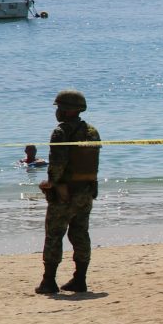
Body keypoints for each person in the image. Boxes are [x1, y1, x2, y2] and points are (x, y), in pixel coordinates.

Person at [35, 90, 100, 295]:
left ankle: (49, 281)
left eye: (59, 108)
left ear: (66, 110)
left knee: (54, 235)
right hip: (86, 191)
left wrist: (52, 185)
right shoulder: (92, 131)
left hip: (66, 193)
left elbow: (57, 163)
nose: (57, 112)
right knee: (80, 234)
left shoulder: (61, 132)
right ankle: (80, 279)